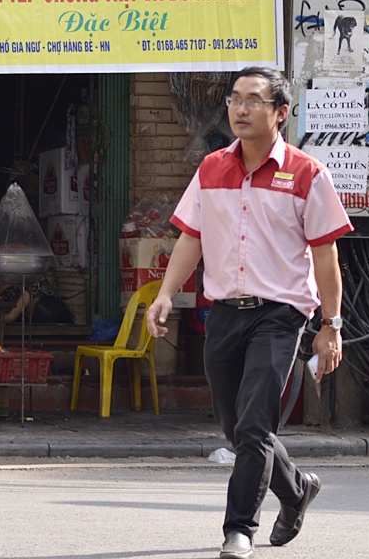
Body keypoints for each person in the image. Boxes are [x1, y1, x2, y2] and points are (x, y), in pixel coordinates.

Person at [147, 66, 351, 559]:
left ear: (280, 112)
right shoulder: (212, 168)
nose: (240, 108)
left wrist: (331, 325)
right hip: (225, 313)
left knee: (256, 424)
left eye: (253, 100)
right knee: (235, 425)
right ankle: (296, 488)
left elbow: (326, 256)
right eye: (235, 99)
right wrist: (166, 294)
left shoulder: (307, 173)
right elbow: (190, 238)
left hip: (281, 314)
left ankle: (239, 529)